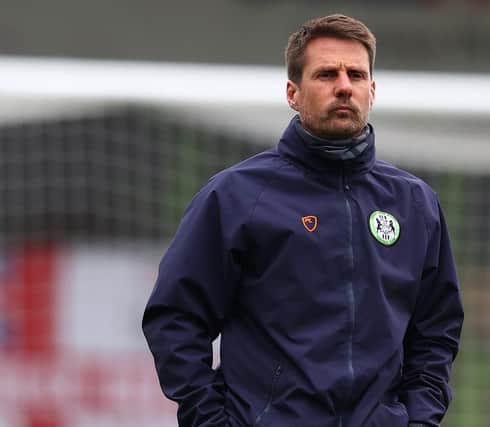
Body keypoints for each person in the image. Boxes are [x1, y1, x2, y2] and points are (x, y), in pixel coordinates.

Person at [142, 14, 463, 427]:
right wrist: (210, 421)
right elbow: (175, 318)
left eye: (357, 75)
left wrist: (419, 419)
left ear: (373, 89)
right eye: (326, 74)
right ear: (293, 93)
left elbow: (436, 332)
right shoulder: (237, 196)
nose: (344, 86)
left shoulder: (414, 204)